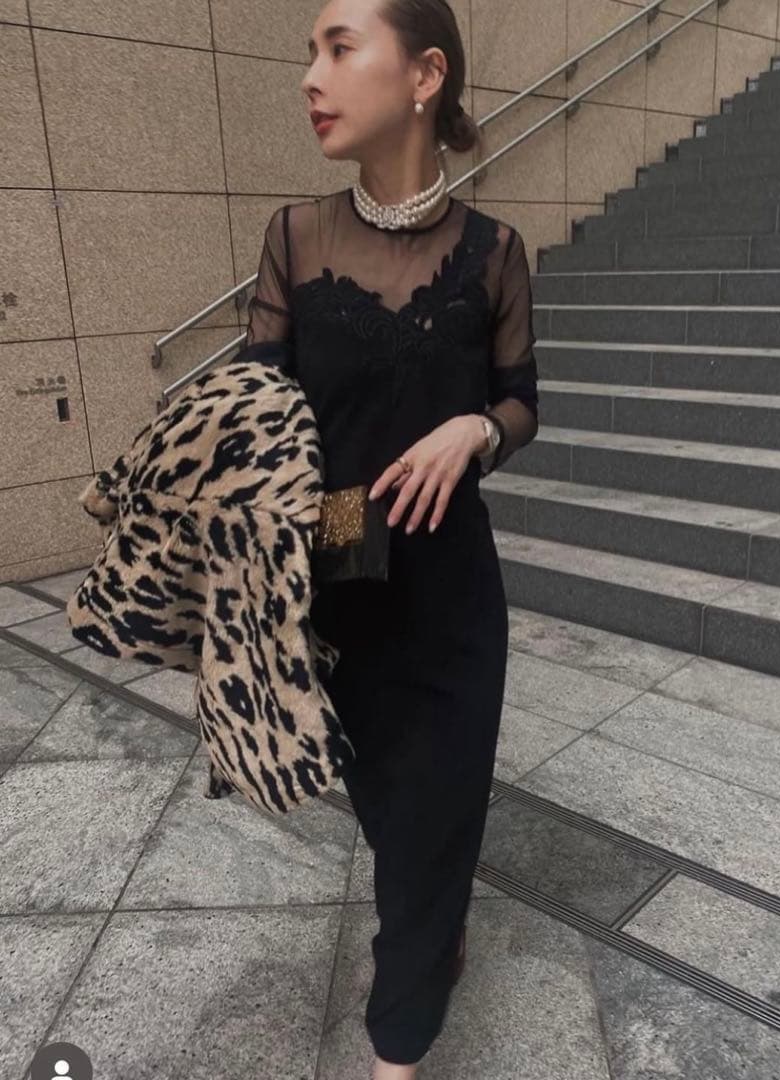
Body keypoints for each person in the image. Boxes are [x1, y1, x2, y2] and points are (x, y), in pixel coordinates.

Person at [243, 1, 539, 1075]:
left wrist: (477, 430)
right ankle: (435, 929)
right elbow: (259, 411)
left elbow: (523, 402)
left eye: (338, 48)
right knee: (388, 812)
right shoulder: (295, 236)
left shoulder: (496, 253)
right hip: (335, 581)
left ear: (423, 75)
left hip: (453, 593)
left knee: (432, 824)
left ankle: (396, 1047)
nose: (311, 76)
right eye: (309, 52)